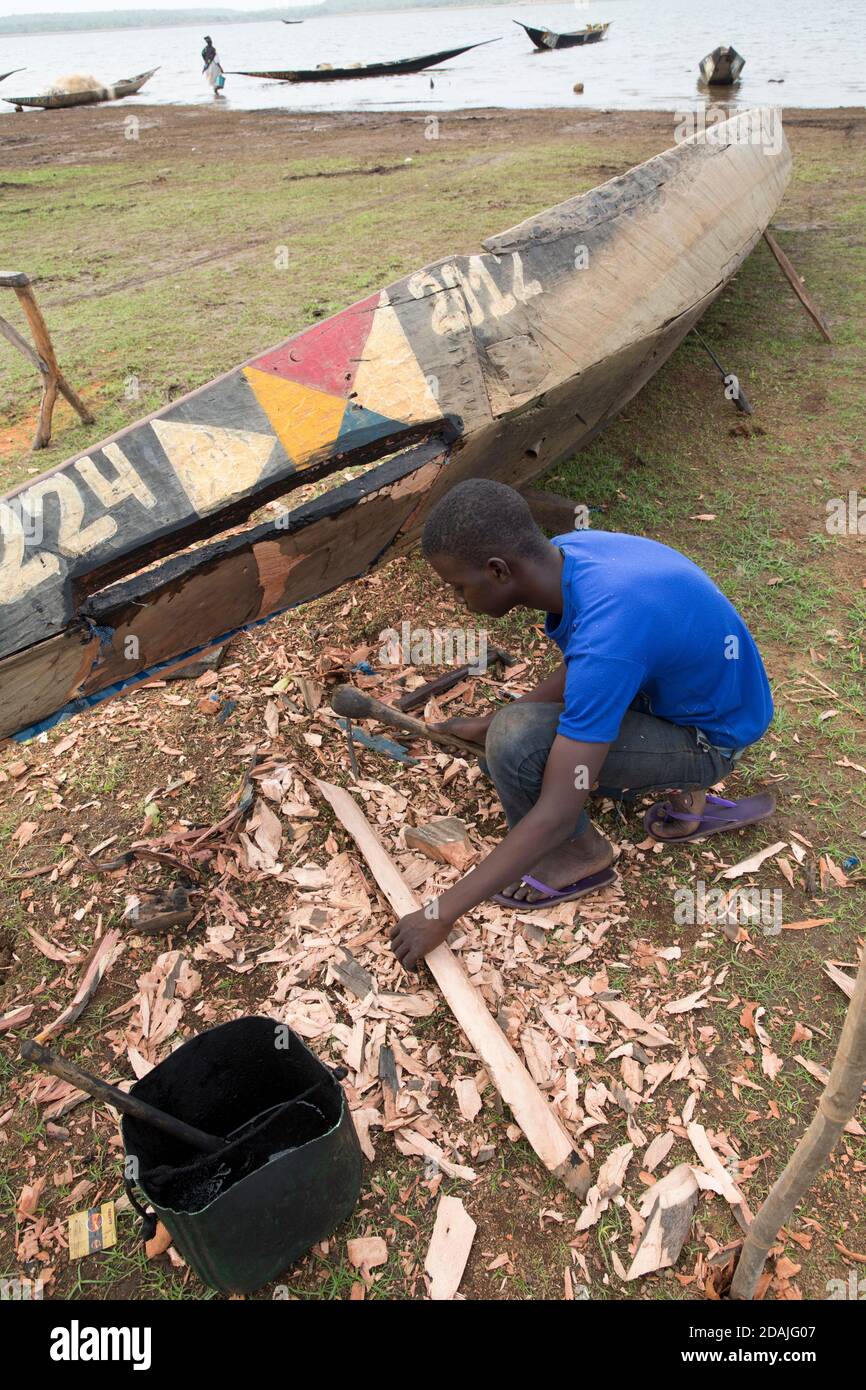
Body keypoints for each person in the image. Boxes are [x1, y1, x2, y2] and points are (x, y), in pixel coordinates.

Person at [389, 479, 775, 969]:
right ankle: (682, 787)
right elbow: (593, 664)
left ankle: (581, 856)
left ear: (498, 570)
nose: (459, 600)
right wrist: (491, 719)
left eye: (459, 586)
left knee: (518, 743)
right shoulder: (570, 555)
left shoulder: (610, 632)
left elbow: (555, 808)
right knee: (509, 727)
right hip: (700, 699)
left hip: (710, 738)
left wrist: (440, 912)